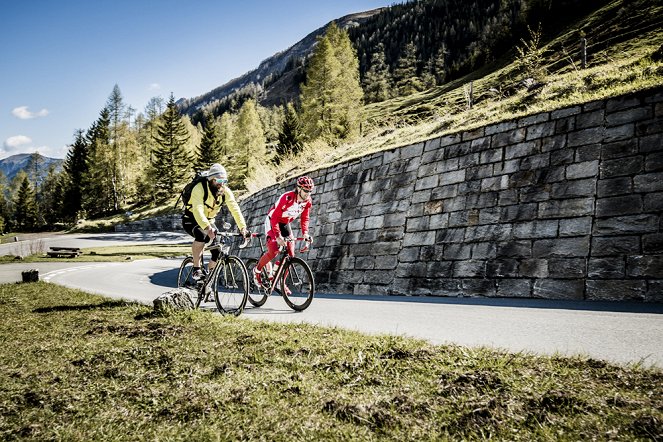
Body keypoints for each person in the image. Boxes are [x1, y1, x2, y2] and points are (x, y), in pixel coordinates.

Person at [181, 163, 249, 280]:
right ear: (211, 179)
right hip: (191, 219)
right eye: (218, 180)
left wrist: (243, 228)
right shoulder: (200, 188)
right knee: (202, 235)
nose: (221, 183)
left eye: (224, 180)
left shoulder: (225, 191)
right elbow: (198, 210)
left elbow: (235, 209)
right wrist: (207, 228)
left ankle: (208, 281)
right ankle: (197, 269)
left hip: (208, 220)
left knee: (217, 250)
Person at [253, 176, 314, 292]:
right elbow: (275, 218)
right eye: (306, 190)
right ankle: (257, 270)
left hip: (285, 223)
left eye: (310, 191)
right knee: (274, 251)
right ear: (299, 188)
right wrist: (278, 236)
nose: (308, 193)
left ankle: (279, 280)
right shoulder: (287, 198)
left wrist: (305, 233)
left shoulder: (307, 201)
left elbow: (305, 218)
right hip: (273, 221)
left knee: (291, 254)